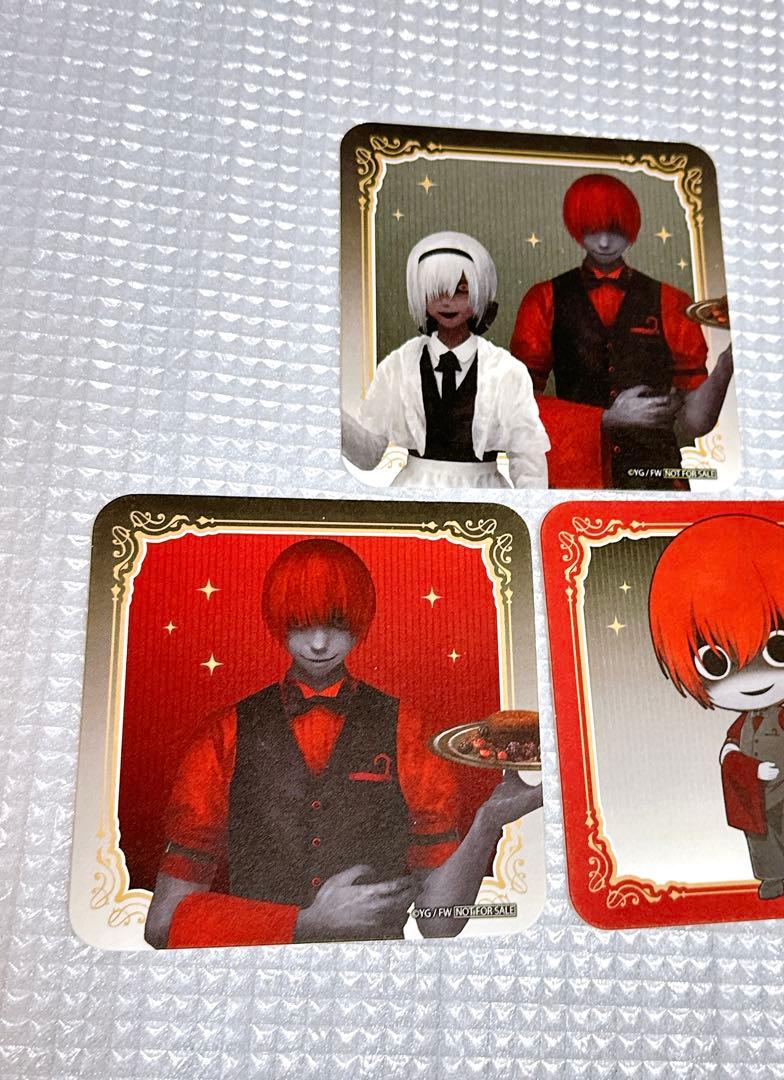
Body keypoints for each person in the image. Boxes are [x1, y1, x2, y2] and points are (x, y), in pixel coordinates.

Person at [143, 538, 543, 947]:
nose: (319, 643)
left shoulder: (409, 731)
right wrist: (304, 923)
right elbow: (162, 924)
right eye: (301, 623)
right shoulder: (222, 736)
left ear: (360, 619)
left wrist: (487, 823)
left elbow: (439, 923)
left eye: (336, 623)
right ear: (278, 620)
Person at [648, 515, 784, 900]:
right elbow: (729, 749)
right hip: (756, 791)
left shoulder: (781, 715)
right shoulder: (740, 725)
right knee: (761, 836)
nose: (751, 678)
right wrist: (742, 764)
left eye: (778, 649)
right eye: (716, 663)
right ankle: (772, 878)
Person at [510, 173, 733, 489]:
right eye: (593, 229)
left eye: (615, 230)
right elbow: (518, 404)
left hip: (658, 480)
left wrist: (726, 365)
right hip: (579, 479)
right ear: (576, 228)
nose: (604, 242)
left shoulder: (672, 302)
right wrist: (605, 420)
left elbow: (694, 424)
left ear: (631, 229)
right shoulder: (543, 299)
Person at [344, 231, 550, 488]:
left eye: (461, 291)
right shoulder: (398, 366)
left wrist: (531, 508)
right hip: (415, 493)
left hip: (484, 496)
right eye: (436, 291)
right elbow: (369, 455)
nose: (447, 302)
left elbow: (528, 458)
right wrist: (328, 416)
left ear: (480, 293)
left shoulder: (506, 371)